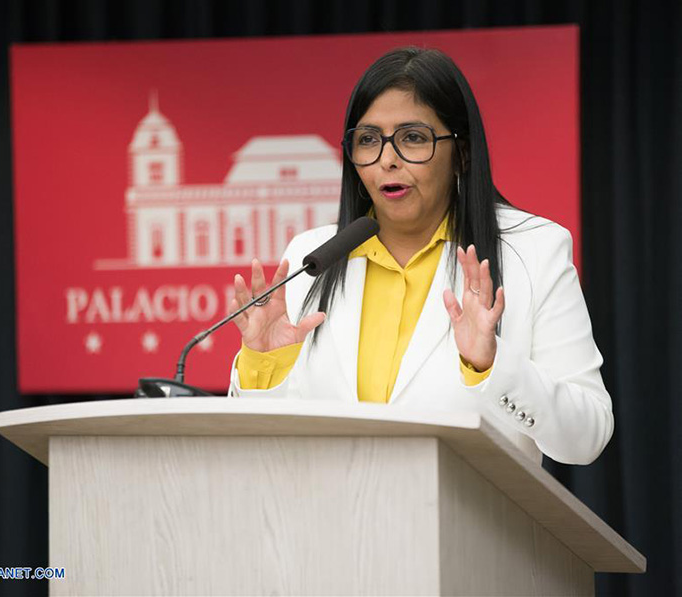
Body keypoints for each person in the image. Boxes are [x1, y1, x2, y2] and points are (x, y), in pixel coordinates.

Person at [226, 47, 613, 466]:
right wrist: (263, 365)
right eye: (369, 141)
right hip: (328, 523)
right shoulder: (310, 257)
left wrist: (492, 364)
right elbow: (266, 447)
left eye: (412, 138)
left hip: (467, 529)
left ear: (461, 153)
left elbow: (586, 437)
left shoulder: (534, 250)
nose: (387, 160)